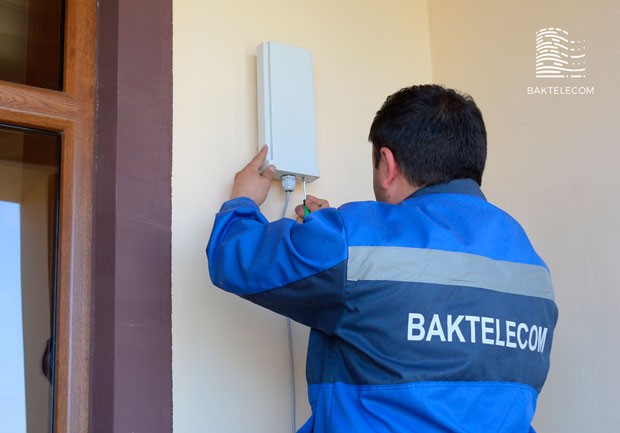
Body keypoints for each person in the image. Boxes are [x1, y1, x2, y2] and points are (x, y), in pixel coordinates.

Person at [207, 84, 558, 432]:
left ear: (387, 165)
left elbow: (234, 257)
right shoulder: (530, 262)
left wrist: (243, 202)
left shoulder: (354, 240)